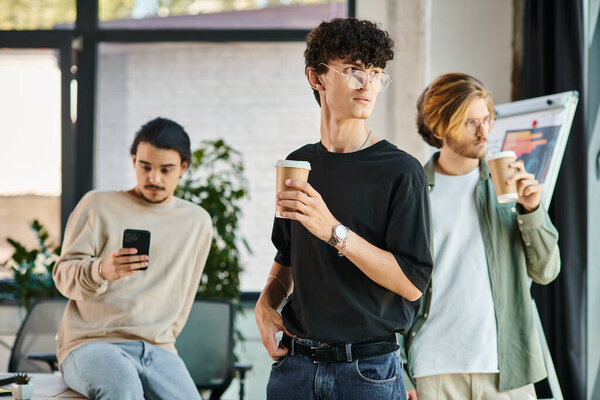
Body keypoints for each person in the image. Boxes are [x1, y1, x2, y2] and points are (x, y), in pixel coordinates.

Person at [254, 18, 433, 400]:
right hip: (294, 368)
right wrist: (266, 301)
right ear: (316, 78)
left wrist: (334, 231)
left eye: (375, 73)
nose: (367, 84)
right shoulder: (296, 165)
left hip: (367, 373)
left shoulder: (401, 171)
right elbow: (287, 256)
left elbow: (412, 283)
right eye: (353, 71)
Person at [401, 73, 561, 400]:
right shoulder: (413, 193)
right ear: (437, 128)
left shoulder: (509, 184)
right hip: (433, 370)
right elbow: (392, 289)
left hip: (508, 369)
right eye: (469, 122)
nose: (483, 131)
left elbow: (546, 271)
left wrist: (532, 211)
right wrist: (403, 374)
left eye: (487, 119)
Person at [53, 117, 212, 400]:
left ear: (183, 168)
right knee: (122, 389)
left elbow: (185, 294)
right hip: (92, 343)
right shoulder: (97, 206)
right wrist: (102, 270)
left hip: (158, 348)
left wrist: (163, 336)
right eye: (145, 167)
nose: (154, 178)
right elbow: (63, 276)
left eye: (166, 170)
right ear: (134, 160)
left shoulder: (197, 222)